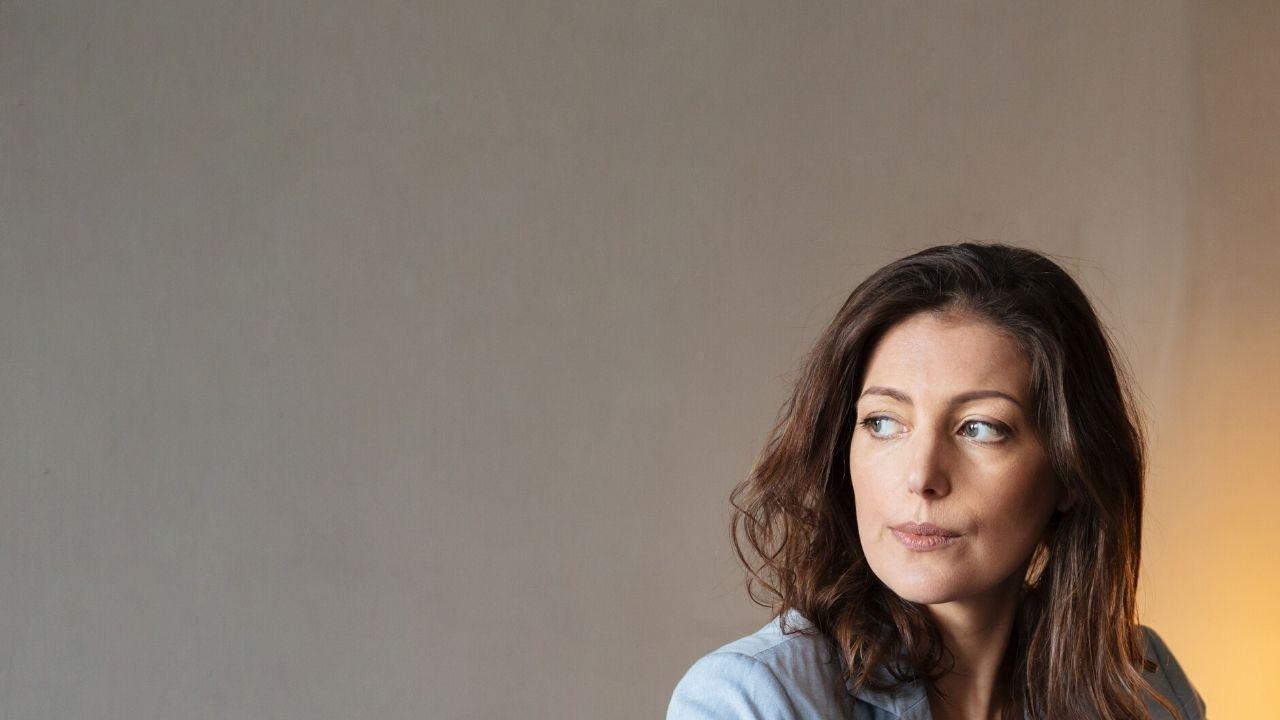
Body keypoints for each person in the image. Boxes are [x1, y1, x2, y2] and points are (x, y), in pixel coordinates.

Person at [666, 243, 1207, 720]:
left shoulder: (1146, 691)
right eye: (883, 423)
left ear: (1071, 468)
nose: (921, 476)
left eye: (980, 428)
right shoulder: (753, 701)